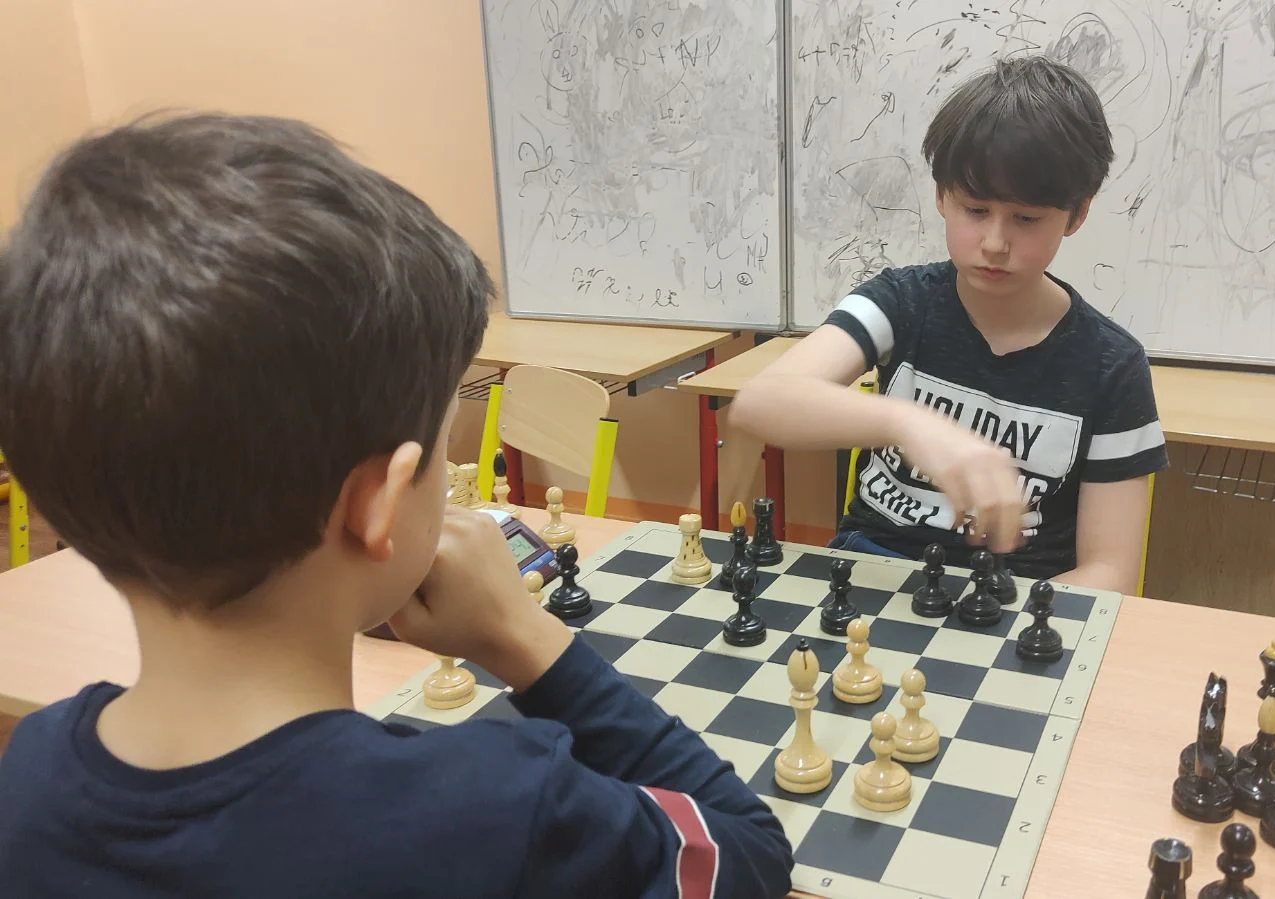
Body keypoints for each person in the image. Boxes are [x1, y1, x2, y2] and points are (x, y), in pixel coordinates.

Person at [0, 113, 792, 898]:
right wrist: (524, 636)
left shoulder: (29, 770)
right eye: (445, 448)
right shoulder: (500, 808)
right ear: (377, 503)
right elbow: (748, 853)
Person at [732, 56, 1167, 592]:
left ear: (1076, 214)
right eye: (975, 210)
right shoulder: (900, 302)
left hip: (1018, 595)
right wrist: (907, 423)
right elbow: (760, 402)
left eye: (1026, 219)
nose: (995, 243)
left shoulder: (1111, 364)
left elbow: (1110, 571)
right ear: (941, 195)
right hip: (874, 570)